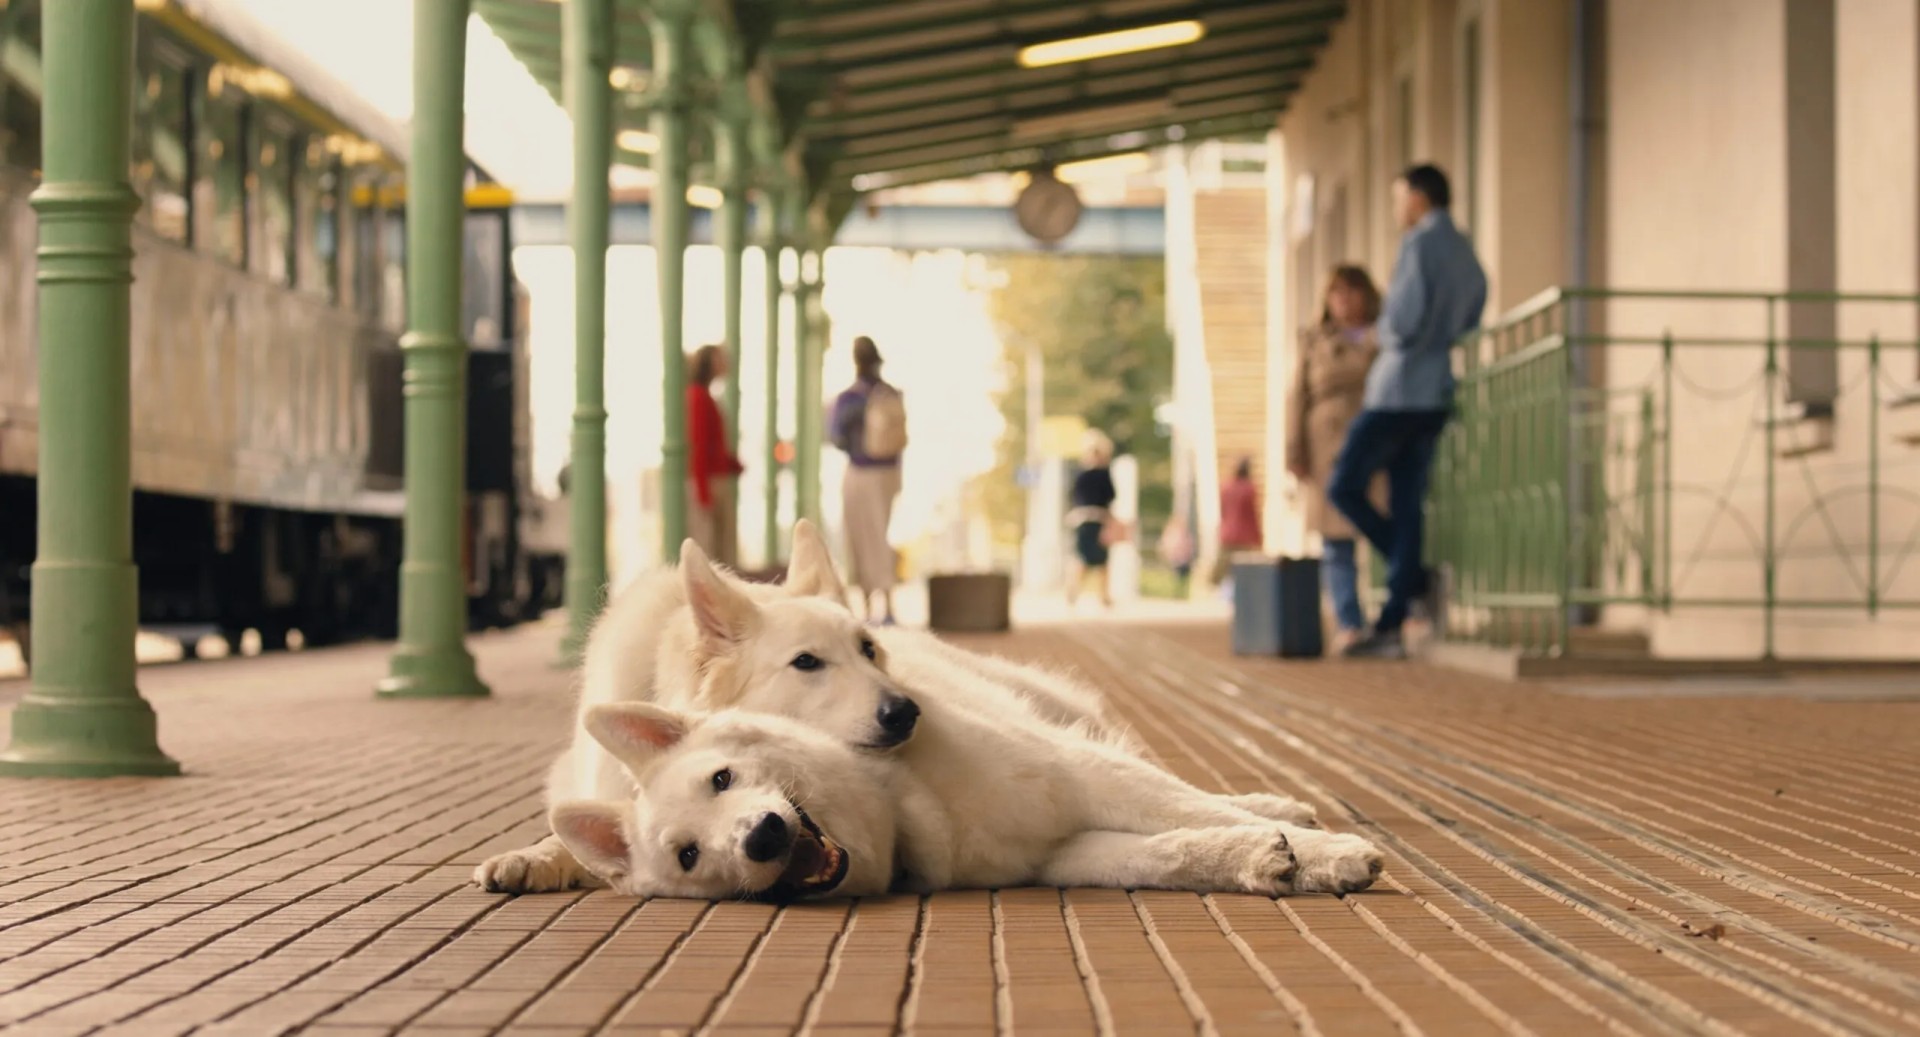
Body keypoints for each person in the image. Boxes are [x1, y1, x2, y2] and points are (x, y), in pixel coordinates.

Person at [1328, 164, 1487, 660]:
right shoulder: (1463, 248)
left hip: (1399, 389)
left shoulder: (1420, 244)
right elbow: (1477, 298)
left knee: (1345, 485)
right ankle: (1396, 614)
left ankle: (1412, 577)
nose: (1398, 209)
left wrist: (1385, 333)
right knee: (1406, 501)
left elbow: (1402, 319)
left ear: (1418, 198)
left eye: (1400, 198)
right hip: (1435, 386)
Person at [1287, 265, 1387, 650]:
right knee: (1335, 542)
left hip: (1374, 439)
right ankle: (1349, 623)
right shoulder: (1313, 340)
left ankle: (1397, 611)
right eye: (1336, 292)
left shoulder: (1383, 335)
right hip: (1325, 443)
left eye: (1351, 291)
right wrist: (1294, 451)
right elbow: (1297, 396)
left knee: (1381, 526)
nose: (1344, 300)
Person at [830, 336, 907, 625]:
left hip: (860, 472)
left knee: (859, 538)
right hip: (889, 474)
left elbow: (837, 437)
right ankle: (888, 606)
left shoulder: (850, 399)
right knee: (881, 536)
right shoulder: (891, 393)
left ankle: (865, 607)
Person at [685, 344, 743, 567]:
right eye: (719, 358)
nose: (725, 363)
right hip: (708, 482)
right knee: (708, 547)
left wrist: (731, 464)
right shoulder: (698, 397)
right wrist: (703, 490)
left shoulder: (706, 397)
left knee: (721, 547)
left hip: (713, 479)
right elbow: (698, 443)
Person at [1065, 430, 1119, 609]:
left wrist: (1109, 524)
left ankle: (1104, 595)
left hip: (1099, 521)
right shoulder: (1081, 475)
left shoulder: (1103, 475)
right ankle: (1074, 591)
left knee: (1102, 562)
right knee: (1082, 559)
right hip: (1084, 522)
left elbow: (1109, 501)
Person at [1214, 458, 1262, 587]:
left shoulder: (1226, 487)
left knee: (1224, 567)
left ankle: (1222, 590)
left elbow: (1222, 511)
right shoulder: (1248, 489)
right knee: (1242, 570)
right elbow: (1251, 515)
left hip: (1228, 533)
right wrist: (1257, 537)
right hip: (1244, 536)